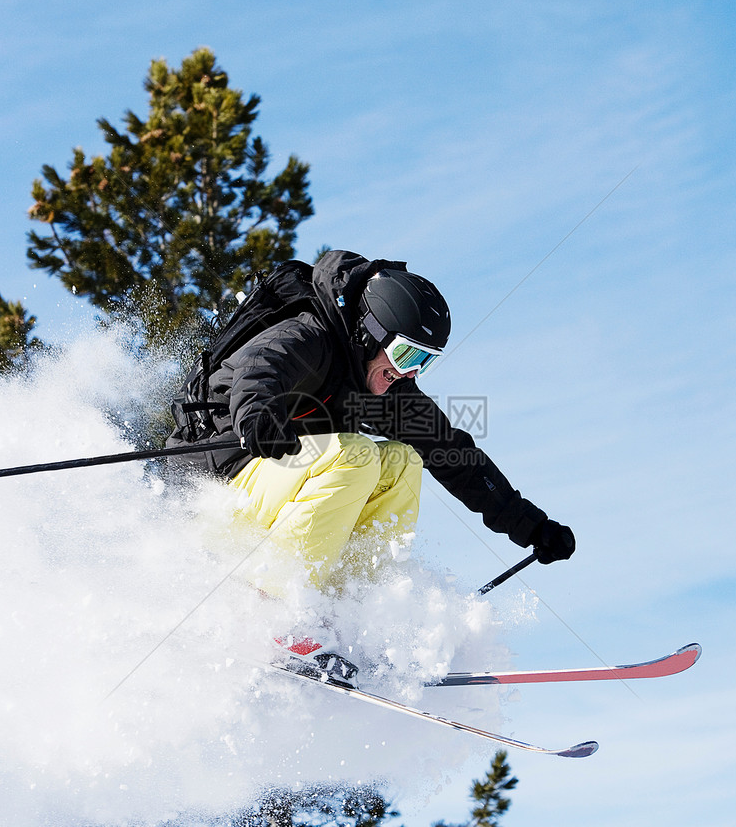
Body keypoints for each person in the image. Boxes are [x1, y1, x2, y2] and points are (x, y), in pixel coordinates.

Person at [172, 251, 574, 678]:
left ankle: (346, 617)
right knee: (357, 455)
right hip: (218, 487)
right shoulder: (311, 337)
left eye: (424, 362)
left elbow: (456, 456)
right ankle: (274, 614)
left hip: (278, 499)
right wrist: (257, 415)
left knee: (402, 462)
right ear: (370, 333)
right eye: (405, 356)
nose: (408, 373)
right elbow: (260, 367)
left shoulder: (381, 386)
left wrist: (531, 526)